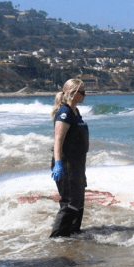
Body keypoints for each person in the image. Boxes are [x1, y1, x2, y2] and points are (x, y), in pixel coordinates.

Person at [50, 79, 89, 238]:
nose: (84, 95)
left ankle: (73, 233)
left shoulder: (76, 112)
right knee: (69, 201)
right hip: (66, 164)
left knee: (79, 201)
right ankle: (57, 238)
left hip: (77, 164)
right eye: (82, 92)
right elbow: (57, 141)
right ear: (73, 93)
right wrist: (58, 164)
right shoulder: (64, 114)